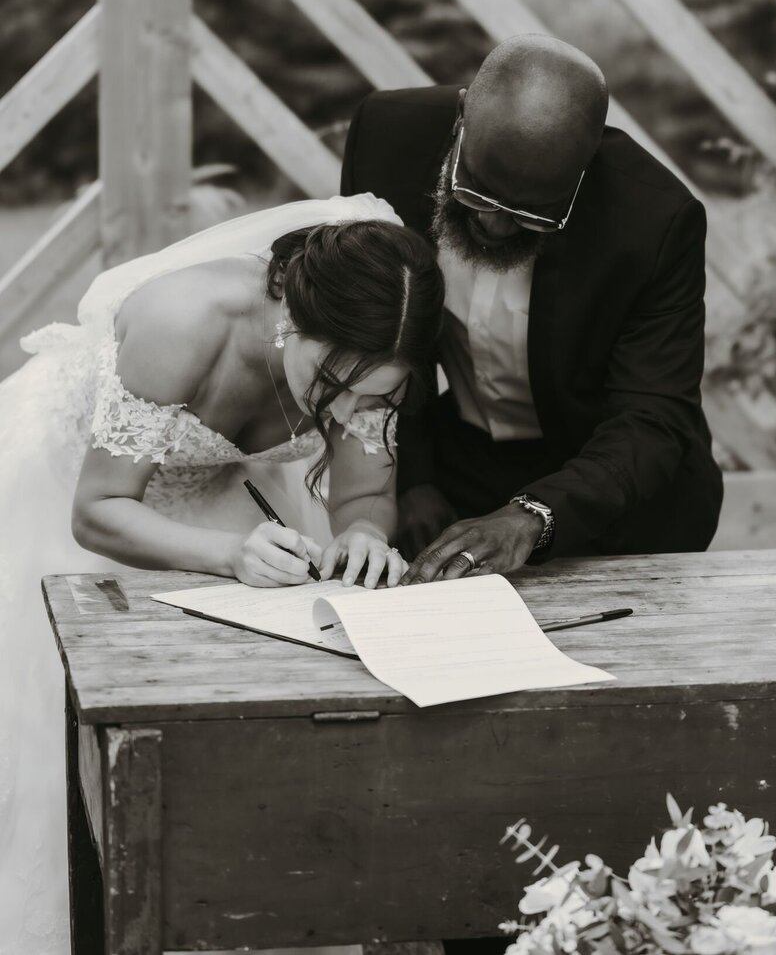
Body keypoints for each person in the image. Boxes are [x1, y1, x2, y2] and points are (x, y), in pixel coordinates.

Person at [0, 192, 444, 954]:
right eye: (333, 383)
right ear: (293, 324)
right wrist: (231, 557)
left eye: (376, 396)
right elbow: (99, 509)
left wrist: (367, 533)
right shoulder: (185, 321)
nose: (346, 411)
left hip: (215, 496)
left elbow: (365, 488)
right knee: (54, 755)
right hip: (72, 499)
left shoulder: (370, 360)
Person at [342, 34, 723, 592]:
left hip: (614, 500)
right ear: (461, 118)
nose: (495, 228)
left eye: (532, 217)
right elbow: (379, 323)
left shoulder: (656, 222)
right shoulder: (387, 136)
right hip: (458, 474)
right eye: (477, 194)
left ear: (584, 169)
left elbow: (652, 418)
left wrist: (534, 516)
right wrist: (414, 476)